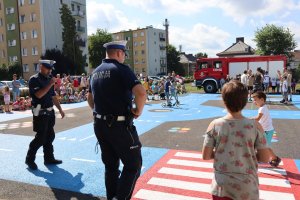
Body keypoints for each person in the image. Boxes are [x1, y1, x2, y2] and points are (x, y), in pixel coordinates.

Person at [87, 40, 146, 200]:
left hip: (99, 124)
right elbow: (140, 93)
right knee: (133, 165)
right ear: (119, 53)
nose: (124, 57)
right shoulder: (121, 69)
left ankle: (112, 196)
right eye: (124, 54)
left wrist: (98, 111)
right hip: (119, 125)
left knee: (111, 166)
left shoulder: (95, 72)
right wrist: (138, 111)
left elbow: (90, 98)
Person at [202, 80, 270, 200]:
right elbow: (265, 157)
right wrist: (246, 155)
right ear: (245, 102)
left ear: (224, 101)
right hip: (247, 186)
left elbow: (206, 155)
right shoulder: (255, 126)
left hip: (222, 187)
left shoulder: (215, 125)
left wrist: (222, 153)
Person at [25, 60, 65, 170]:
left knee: (50, 136)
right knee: (40, 138)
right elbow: (38, 94)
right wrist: (51, 83)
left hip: (50, 112)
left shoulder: (49, 78)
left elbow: (52, 96)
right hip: (40, 112)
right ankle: (29, 159)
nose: (50, 71)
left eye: (51, 68)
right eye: (48, 68)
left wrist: (60, 109)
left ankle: (48, 158)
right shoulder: (34, 79)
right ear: (41, 67)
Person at [251, 91, 281, 167]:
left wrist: (248, 120)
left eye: (255, 100)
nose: (254, 102)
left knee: (265, 147)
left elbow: (257, 119)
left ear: (262, 99)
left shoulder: (262, 109)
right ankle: (274, 158)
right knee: (263, 146)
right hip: (265, 130)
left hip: (267, 131)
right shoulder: (263, 107)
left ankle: (275, 158)